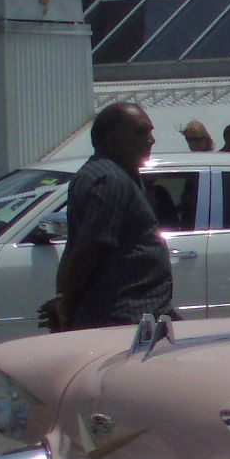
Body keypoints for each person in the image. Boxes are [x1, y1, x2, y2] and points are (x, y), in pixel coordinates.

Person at [39, 102, 173, 332]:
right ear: (112, 138)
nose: (151, 139)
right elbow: (90, 247)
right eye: (142, 132)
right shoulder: (110, 180)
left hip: (130, 313)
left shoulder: (107, 173)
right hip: (122, 319)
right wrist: (66, 305)